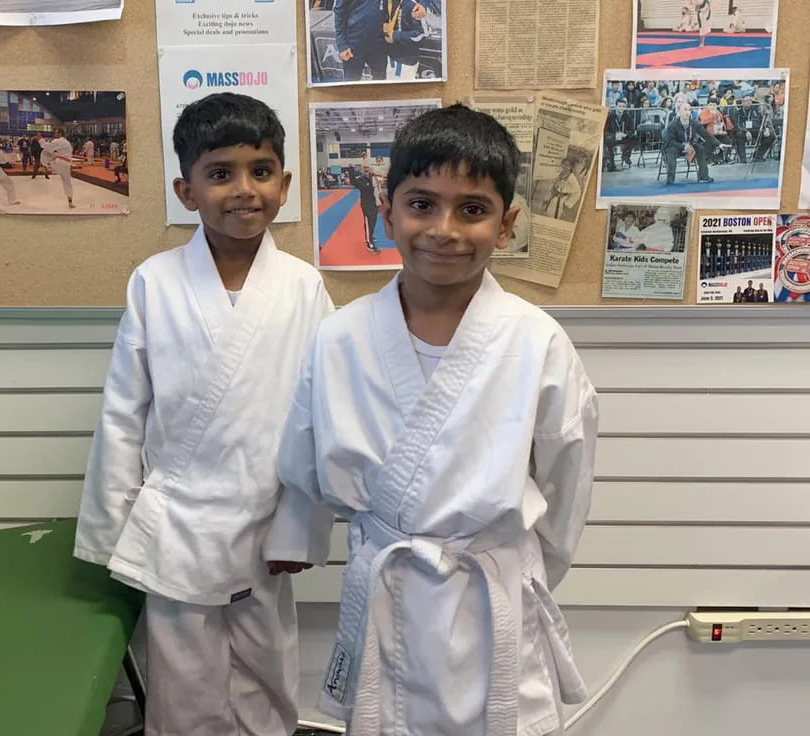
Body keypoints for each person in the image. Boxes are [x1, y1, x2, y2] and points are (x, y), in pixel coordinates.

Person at [264, 103, 598, 736]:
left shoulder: (537, 342)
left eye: (472, 209)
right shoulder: (340, 339)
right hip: (391, 590)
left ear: (508, 225)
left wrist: (517, 562)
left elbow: (565, 486)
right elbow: (304, 462)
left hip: (490, 598)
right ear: (386, 211)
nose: (443, 229)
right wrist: (298, 540)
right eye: (422, 204)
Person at [74, 93, 333, 736]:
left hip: (266, 519)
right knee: (184, 688)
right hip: (179, 523)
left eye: (261, 170)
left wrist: (303, 525)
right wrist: (114, 526)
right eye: (220, 173)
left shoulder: (305, 287)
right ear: (185, 190)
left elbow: (323, 416)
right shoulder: (154, 282)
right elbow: (123, 413)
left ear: (285, 184)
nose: (244, 190)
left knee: (268, 682)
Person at [661, 101, 726, 185]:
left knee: (700, 149)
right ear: (679, 112)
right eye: (685, 110)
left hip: (689, 146)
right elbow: (670, 141)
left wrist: (718, 144)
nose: (687, 112)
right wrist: (683, 147)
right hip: (675, 146)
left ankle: (704, 177)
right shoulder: (672, 125)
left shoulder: (694, 123)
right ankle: (670, 179)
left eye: (689, 110)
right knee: (671, 151)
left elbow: (706, 134)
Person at [334, 0, 388, 82]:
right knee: (351, 84)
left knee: (381, 81)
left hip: (378, 43)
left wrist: (386, 21)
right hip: (354, 44)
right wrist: (341, 44)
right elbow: (339, 13)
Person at [382, 0, 438, 81]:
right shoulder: (389, 2)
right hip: (391, 58)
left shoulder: (413, 6)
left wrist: (396, 36)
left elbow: (422, 33)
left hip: (406, 62)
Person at [348, 163, 382, 254]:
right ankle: (370, 244)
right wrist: (351, 170)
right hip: (367, 205)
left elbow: (381, 184)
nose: (367, 169)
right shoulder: (360, 179)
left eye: (368, 167)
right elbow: (353, 181)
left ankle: (370, 236)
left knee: (373, 221)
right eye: (365, 168)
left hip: (375, 203)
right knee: (369, 223)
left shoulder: (374, 177)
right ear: (362, 170)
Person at [41, 127, 76, 209]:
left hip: (59, 162)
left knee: (45, 152)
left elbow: (47, 147)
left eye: (56, 133)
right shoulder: (67, 142)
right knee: (67, 182)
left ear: (60, 134)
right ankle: (70, 202)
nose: (54, 134)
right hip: (66, 164)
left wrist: (41, 140)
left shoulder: (58, 140)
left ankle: (46, 166)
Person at [733, 94, 772, 163]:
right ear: (742, 102)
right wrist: (746, 132)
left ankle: (758, 156)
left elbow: (763, 121)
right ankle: (743, 158)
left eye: (750, 100)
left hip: (756, 130)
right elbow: (738, 124)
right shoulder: (739, 112)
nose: (748, 102)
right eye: (746, 100)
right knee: (739, 135)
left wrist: (766, 129)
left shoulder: (757, 110)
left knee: (770, 136)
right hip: (744, 131)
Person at [604, 98, 637, 171]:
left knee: (634, 137)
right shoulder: (610, 117)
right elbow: (605, 130)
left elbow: (632, 130)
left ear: (625, 107)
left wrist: (625, 134)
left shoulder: (628, 117)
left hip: (623, 136)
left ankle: (625, 155)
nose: (621, 108)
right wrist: (615, 135)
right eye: (619, 106)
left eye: (623, 106)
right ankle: (611, 163)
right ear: (616, 106)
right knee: (607, 140)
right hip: (613, 137)